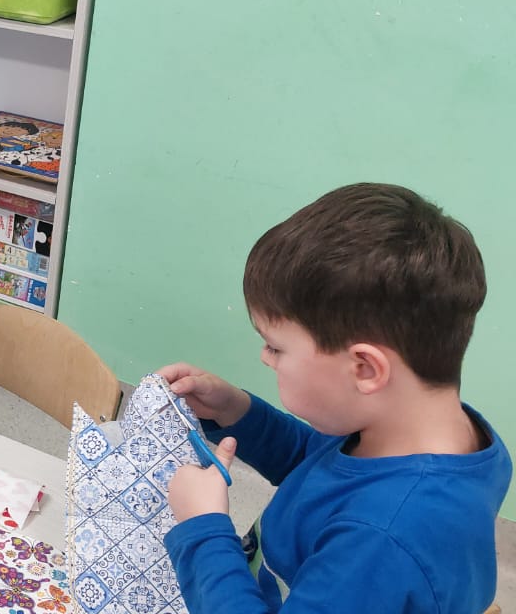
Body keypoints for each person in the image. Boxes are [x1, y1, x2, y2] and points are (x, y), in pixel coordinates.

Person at [161, 183, 511, 612]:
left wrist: (203, 531)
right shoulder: (416, 431)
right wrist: (237, 412)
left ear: (364, 368)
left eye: (276, 347)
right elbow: (321, 467)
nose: (265, 358)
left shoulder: (380, 539)